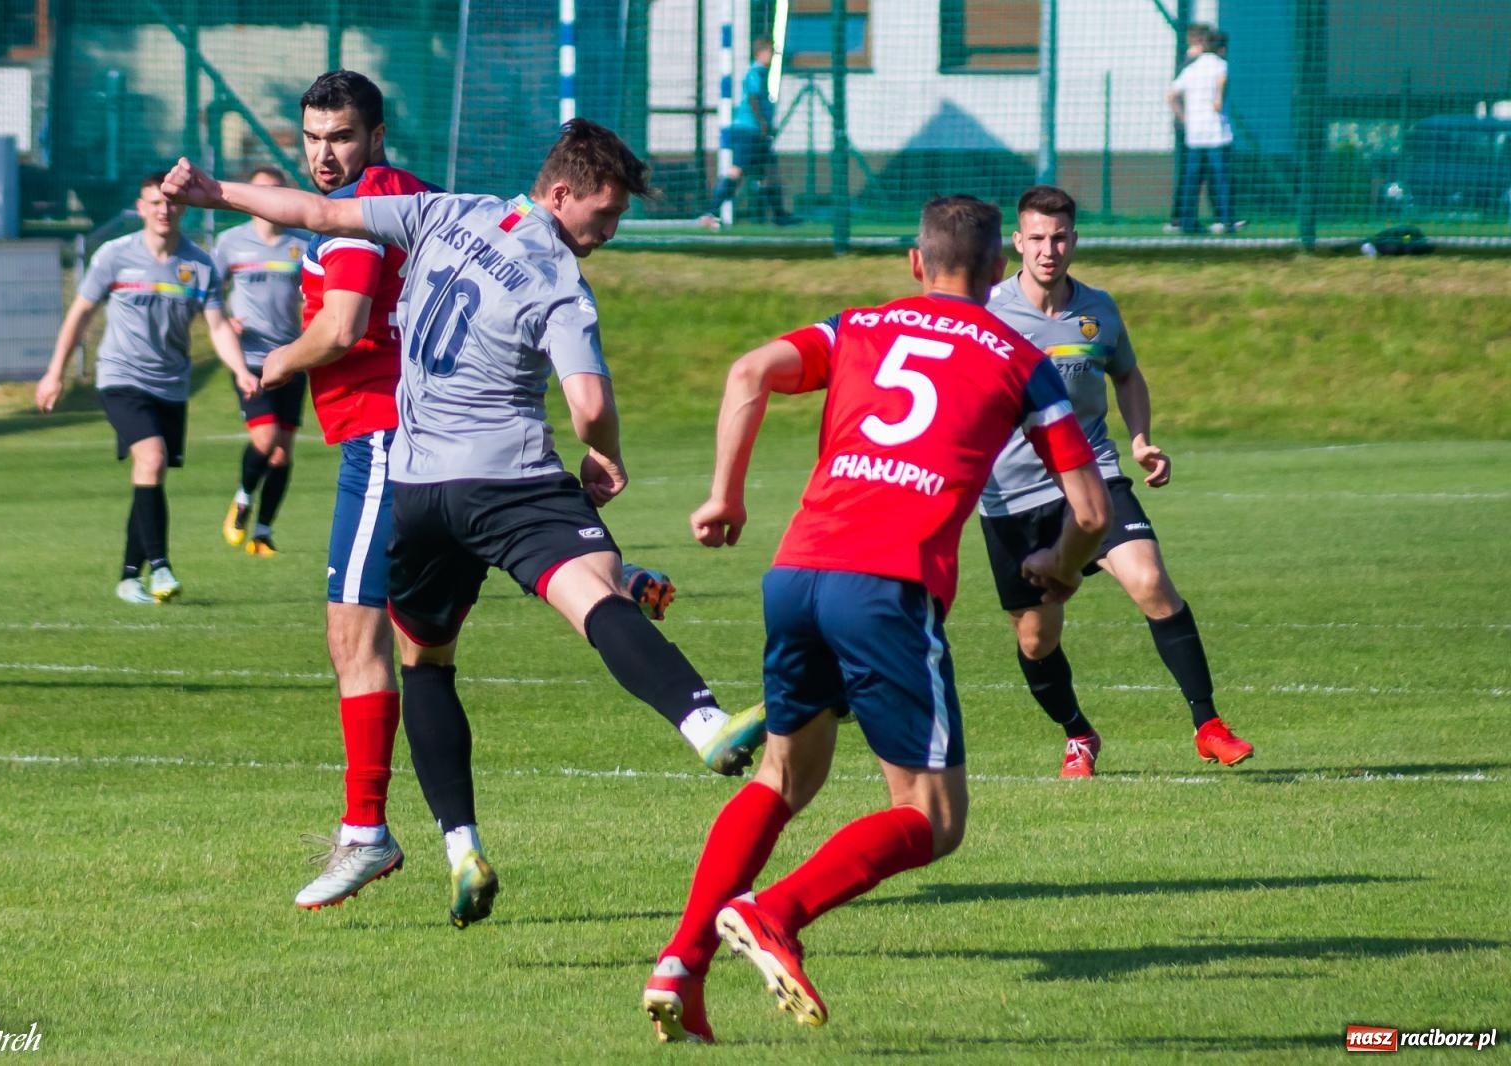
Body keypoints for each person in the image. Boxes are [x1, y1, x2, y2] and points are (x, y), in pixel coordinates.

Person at [163, 116, 768, 927]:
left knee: (427, 663)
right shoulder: (557, 279)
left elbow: (322, 213)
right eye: (605, 213)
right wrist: (605, 457)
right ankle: (702, 723)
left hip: (418, 493)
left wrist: (214, 193)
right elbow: (587, 405)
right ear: (562, 194)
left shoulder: (449, 212)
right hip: (507, 481)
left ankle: (461, 848)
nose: (609, 231)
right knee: (595, 598)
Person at [642, 195, 1110, 1042]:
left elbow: (749, 371)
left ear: (915, 263)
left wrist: (724, 495)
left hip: (797, 571)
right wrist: (1061, 569)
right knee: (931, 818)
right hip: (887, 584)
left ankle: (681, 960)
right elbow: (1090, 509)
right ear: (998, 270)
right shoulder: (1018, 352)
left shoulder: (858, 323)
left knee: (785, 776)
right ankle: (775, 912)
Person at [980, 184, 1255, 778]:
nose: (1048, 250)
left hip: (1092, 474)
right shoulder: (988, 311)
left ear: (1073, 240)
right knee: (1036, 640)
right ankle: (1078, 733)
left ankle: (1207, 724)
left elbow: (1126, 375)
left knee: (1151, 580)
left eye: (1059, 238)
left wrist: (1139, 439)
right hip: (1011, 495)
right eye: (1036, 239)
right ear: (1017, 243)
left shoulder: (1099, 309)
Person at [35, 173, 259, 605]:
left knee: (149, 475)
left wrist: (241, 371)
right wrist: (54, 372)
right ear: (140, 208)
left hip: (172, 386)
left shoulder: (199, 265)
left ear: (184, 208)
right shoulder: (114, 257)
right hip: (121, 378)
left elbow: (216, 325)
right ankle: (160, 568)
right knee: (151, 459)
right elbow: (80, 314)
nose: (164, 210)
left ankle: (127, 578)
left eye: (172, 202)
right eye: (154, 202)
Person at [211, 165, 312, 555]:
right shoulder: (229, 243)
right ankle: (241, 498)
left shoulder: (302, 243)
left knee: (284, 449)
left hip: (291, 356)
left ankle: (263, 532)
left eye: (275, 191)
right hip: (250, 357)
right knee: (266, 438)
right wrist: (225, 320)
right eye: (260, 192)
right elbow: (207, 294)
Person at [699, 36, 798, 228]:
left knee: (769, 171)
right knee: (738, 171)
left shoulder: (763, 73)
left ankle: (780, 216)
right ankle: (710, 212)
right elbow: (753, 99)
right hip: (747, 131)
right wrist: (762, 122)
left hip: (756, 132)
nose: (772, 57)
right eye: (770, 52)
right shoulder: (755, 72)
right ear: (760, 52)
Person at [1165, 23, 1243, 235]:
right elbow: (1222, 78)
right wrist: (1218, 97)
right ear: (1221, 49)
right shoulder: (1219, 64)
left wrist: (1184, 118)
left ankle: (1187, 221)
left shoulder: (1192, 68)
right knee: (1222, 177)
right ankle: (1226, 220)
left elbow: (1171, 95)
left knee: (1192, 179)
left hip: (1195, 135)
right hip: (1217, 134)